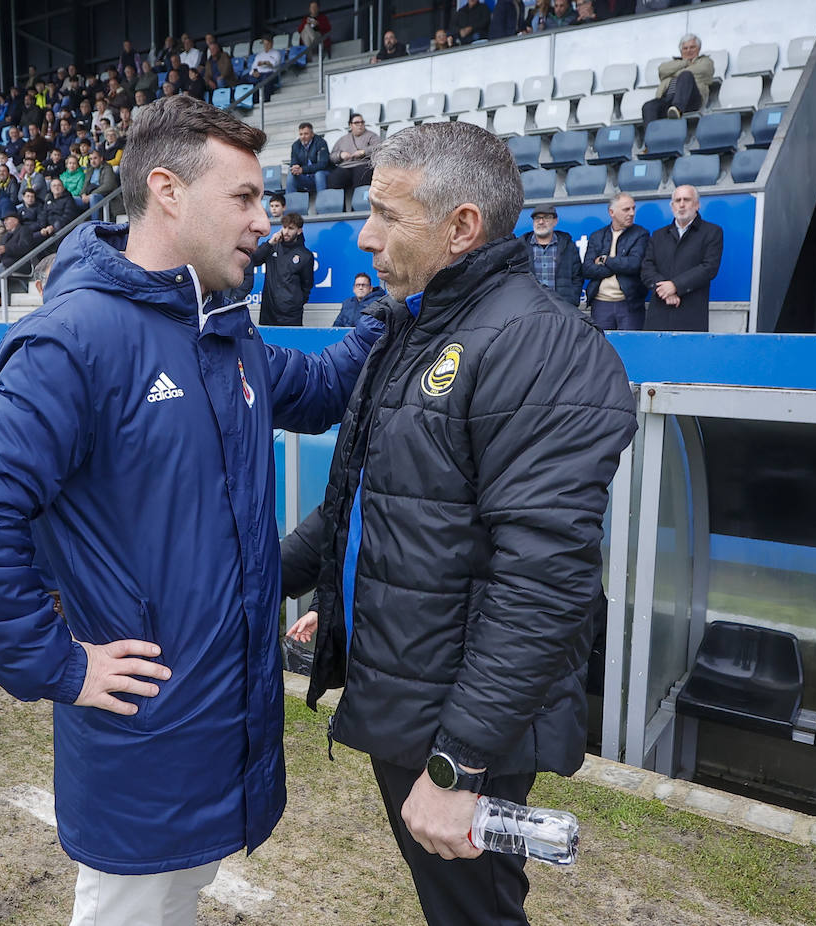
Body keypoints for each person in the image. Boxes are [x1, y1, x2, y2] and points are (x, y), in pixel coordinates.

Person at [0, 94, 379, 926]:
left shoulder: (221, 326)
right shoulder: (79, 337)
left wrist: (386, 314)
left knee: (179, 898)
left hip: (217, 716)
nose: (262, 219)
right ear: (167, 191)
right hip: (145, 730)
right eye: (243, 197)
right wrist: (59, 664)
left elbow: (316, 389)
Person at [288, 121, 636, 926]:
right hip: (409, 699)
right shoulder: (414, 324)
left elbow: (543, 581)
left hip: (460, 726)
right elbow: (369, 500)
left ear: (463, 226)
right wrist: (256, 583)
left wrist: (458, 766)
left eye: (386, 214)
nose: (366, 235)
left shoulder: (539, 346)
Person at [641, 184, 723, 331]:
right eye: (677, 200)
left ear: (697, 205)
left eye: (687, 200)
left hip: (691, 314)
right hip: (659, 313)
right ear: (672, 206)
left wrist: (676, 286)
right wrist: (664, 290)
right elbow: (647, 268)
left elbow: (709, 268)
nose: (682, 204)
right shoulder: (659, 235)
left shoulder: (712, 232)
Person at [583, 192, 650, 330]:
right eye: (626, 209)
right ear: (611, 212)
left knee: (629, 348)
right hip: (600, 304)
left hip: (629, 304)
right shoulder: (597, 236)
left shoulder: (641, 234)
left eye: (633, 208)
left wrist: (605, 259)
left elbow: (634, 264)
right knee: (603, 348)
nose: (631, 213)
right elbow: (587, 269)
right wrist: (619, 265)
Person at [252, 212, 315, 326]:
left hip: (290, 315)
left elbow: (307, 285)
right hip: (268, 311)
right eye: (284, 227)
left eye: (291, 228)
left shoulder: (305, 255)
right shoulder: (272, 247)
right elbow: (254, 260)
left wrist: (295, 303)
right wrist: (270, 243)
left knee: (289, 343)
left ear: (299, 231)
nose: (286, 232)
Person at [641, 34, 715, 130]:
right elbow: (662, 70)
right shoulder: (676, 62)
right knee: (649, 106)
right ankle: (650, 140)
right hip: (668, 99)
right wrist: (685, 62)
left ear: (698, 48)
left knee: (686, 75)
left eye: (692, 47)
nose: (689, 50)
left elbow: (703, 70)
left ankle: (677, 110)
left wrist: (674, 73)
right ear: (681, 51)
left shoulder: (705, 61)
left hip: (691, 99)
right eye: (685, 48)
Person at [520, 204, 583, 304]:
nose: (541, 222)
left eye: (546, 218)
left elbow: (577, 276)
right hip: (531, 308)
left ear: (555, 221)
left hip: (562, 307)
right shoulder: (521, 247)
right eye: (537, 218)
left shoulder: (567, 246)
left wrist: (572, 300)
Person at [329, 113, 382, 191]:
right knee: (334, 178)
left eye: (362, 122)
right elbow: (332, 156)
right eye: (357, 123)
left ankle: (360, 202)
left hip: (363, 164)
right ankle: (337, 203)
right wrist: (340, 155)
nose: (360, 124)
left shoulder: (371, 135)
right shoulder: (343, 139)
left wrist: (364, 152)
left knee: (362, 175)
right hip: (345, 166)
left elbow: (379, 147)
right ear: (350, 125)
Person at [287, 122, 331, 194]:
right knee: (291, 174)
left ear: (312, 134)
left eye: (306, 134)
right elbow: (293, 161)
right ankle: (290, 202)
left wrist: (303, 169)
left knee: (319, 174)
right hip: (306, 177)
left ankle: (322, 202)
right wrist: (295, 167)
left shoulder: (321, 142)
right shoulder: (295, 145)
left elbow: (323, 164)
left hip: (323, 175)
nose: (303, 137)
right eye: (301, 134)